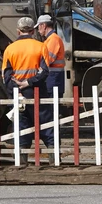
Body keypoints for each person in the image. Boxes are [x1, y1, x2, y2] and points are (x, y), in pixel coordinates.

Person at [2, 17, 49, 157]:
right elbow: (44, 71)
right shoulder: (41, 46)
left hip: (19, 94)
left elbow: (6, 76)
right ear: (33, 30)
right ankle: (54, 158)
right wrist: (29, 82)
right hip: (37, 91)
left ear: (18, 31)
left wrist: (16, 91)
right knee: (46, 125)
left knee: (22, 126)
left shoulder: (10, 49)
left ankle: (22, 160)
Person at [36, 14, 65, 148]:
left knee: (52, 110)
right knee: (50, 110)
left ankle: (54, 140)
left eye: (39, 28)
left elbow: (48, 60)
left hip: (53, 79)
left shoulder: (53, 39)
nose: (38, 31)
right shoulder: (51, 39)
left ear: (43, 26)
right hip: (53, 79)